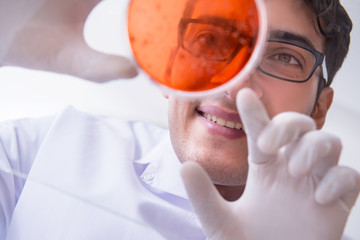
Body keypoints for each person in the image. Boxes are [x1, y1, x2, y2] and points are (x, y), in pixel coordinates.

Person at [0, 0, 359, 239]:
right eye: (212, 40)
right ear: (169, 73)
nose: (236, 87)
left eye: (285, 57)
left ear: (319, 110)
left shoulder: (315, 235)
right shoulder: (39, 149)